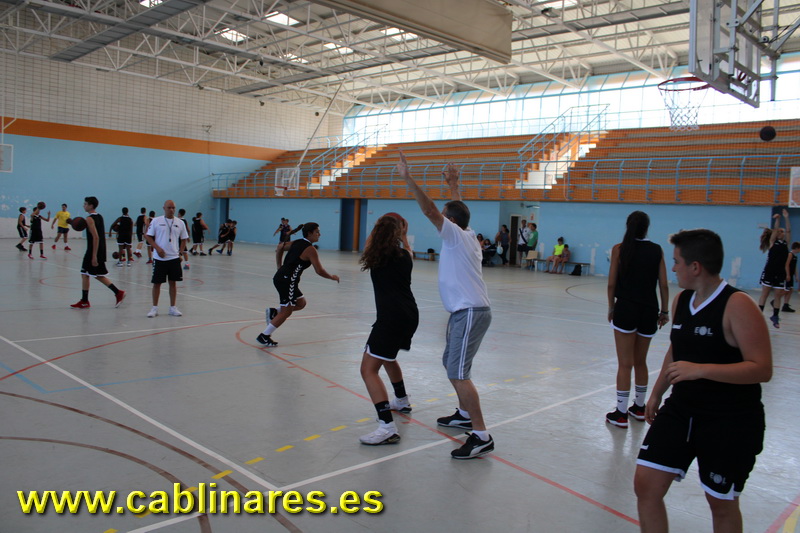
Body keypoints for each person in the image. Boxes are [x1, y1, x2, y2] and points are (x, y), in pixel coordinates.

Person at [634, 229, 772, 533]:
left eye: (676, 262)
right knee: (646, 485)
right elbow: (676, 350)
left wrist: (701, 370)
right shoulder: (682, 300)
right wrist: (657, 392)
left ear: (695, 266)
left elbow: (762, 369)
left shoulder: (737, 304)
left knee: (720, 504)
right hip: (682, 409)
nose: (673, 268)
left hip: (730, 418)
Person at [397, 152, 494, 460]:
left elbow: (429, 209)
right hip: (463, 312)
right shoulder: (466, 233)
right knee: (450, 364)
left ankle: (481, 435)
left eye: (444, 215)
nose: (438, 217)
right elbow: (458, 210)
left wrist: (408, 179)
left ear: (450, 222)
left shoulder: (454, 234)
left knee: (459, 372)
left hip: (470, 312)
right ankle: (464, 415)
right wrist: (454, 185)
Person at [358, 214, 419, 446]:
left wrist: (379, 226)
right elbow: (408, 249)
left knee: (368, 369)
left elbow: (368, 245)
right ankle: (401, 400)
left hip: (391, 318)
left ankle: (387, 427)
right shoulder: (406, 256)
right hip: (409, 315)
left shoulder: (376, 256)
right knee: (387, 357)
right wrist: (403, 234)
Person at [605, 211, 669, 429]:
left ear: (628, 225)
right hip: (649, 310)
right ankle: (640, 408)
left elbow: (611, 284)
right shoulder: (657, 250)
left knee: (625, 364)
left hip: (625, 308)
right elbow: (663, 284)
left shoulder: (619, 249)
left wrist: (611, 307)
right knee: (641, 362)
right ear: (647, 227)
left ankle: (621, 413)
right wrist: (664, 311)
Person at [257, 223, 339, 346]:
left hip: (285, 279)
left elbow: (280, 247)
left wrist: (279, 266)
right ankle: (264, 335)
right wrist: (332, 277)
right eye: (317, 232)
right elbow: (319, 270)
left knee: (301, 303)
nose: (319, 234)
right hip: (287, 281)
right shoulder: (310, 249)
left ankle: (274, 312)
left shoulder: (297, 242)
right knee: (287, 311)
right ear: (309, 233)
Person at [70, 197, 126, 309]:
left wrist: (94, 256)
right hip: (100, 249)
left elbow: (96, 237)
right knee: (91, 274)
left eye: (85, 204)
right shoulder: (99, 216)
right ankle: (115, 293)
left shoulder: (89, 219)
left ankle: (116, 293)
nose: (83, 206)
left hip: (93, 250)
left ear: (91, 206)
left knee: (87, 273)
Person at [145, 200, 189, 318]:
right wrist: (157, 248)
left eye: (173, 208)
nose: (171, 210)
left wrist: (180, 253)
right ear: (164, 208)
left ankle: (173, 307)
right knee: (157, 283)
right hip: (159, 259)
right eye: (169, 207)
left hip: (174, 258)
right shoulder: (156, 221)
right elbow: (148, 236)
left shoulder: (180, 223)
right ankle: (154, 308)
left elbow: (184, 239)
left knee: (173, 283)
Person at [756, 209, 791, 328]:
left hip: (780, 273)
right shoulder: (772, 242)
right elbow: (775, 230)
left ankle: (775, 316)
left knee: (777, 295)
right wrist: (778, 220)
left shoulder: (785, 244)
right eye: (781, 231)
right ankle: (759, 316)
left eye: (783, 232)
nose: (783, 233)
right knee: (765, 294)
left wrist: (786, 217)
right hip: (769, 271)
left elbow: (789, 230)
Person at [782, 241, 799, 313]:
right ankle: (775, 300)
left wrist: (796, 276)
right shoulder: (790, 254)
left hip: (791, 275)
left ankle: (785, 305)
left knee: (790, 290)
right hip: (788, 275)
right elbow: (786, 265)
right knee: (787, 290)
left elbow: (794, 267)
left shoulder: (795, 256)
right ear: (797, 248)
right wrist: (787, 274)